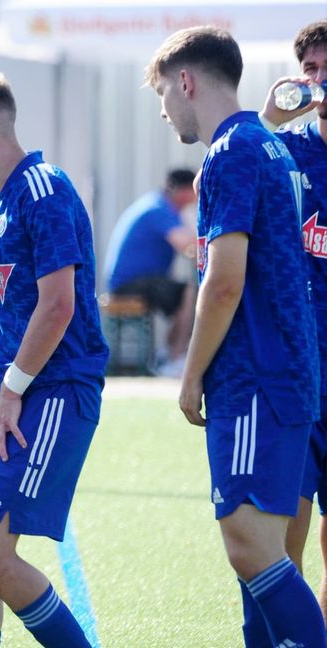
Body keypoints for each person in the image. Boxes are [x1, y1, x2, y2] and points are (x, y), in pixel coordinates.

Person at [149, 26, 326, 647]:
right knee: (264, 551)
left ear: (187, 82)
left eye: (163, 94)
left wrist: (190, 373)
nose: (165, 110)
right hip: (287, 369)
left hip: (255, 375)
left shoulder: (231, 153)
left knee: (250, 547)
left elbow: (223, 281)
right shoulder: (272, 145)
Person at [0, 72, 108, 648]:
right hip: (3, 396)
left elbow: (58, 304)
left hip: (52, 389)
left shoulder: (43, 189)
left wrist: (13, 389)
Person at [259, 20, 327, 623]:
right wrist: (269, 121)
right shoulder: (286, 147)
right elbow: (213, 184)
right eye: (310, 69)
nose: (318, 80)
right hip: (295, 369)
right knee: (284, 534)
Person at [103, 167, 199, 374]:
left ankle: (168, 355)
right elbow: (187, 245)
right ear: (184, 191)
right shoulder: (159, 209)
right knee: (189, 293)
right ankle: (174, 358)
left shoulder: (159, 205)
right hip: (129, 284)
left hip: (133, 281)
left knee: (185, 293)